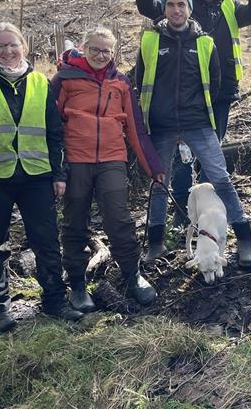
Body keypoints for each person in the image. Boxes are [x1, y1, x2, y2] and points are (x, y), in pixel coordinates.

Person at [0, 22, 82, 333]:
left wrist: (58, 174)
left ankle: (54, 301)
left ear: (24, 46)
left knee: (47, 241)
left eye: (13, 45)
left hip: (36, 176)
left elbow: (55, 134)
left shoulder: (40, 83)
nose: (8, 51)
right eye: (0, 46)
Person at [136, 0, 251, 224]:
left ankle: (209, 210)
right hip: (185, 101)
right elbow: (148, 6)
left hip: (220, 93)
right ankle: (183, 208)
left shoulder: (228, 7)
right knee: (183, 157)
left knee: (212, 154)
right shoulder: (180, 4)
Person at [136, 0, 251, 267]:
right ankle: (155, 243)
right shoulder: (151, 41)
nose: (177, 10)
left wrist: (194, 112)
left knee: (221, 179)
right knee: (158, 184)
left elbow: (213, 86)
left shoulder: (205, 43)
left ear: (190, 9)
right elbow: (141, 81)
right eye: (171, 5)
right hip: (162, 126)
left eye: (182, 5)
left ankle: (244, 240)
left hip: (198, 123)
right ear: (164, 9)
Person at [51, 27, 165, 311]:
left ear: (113, 53)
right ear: (83, 48)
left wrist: (153, 166)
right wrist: (55, 167)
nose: (101, 56)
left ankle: (132, 275)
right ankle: (77, 284)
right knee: (75, 221)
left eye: (106, 51)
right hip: (76, 159)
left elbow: (135, 129)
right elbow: (51, 125)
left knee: (119, 219)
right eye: (95, 50)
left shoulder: (121, 82)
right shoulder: (64, 79)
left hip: (112, 159)